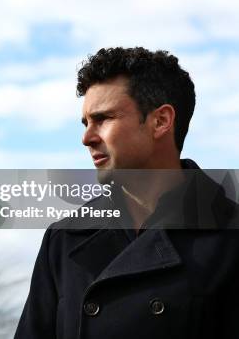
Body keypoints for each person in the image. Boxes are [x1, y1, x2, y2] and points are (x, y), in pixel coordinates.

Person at [15, 47, 239, 339]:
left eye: (103, 118)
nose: (86, 138)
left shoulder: (230, 239)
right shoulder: (64, 240)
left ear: (160, 121)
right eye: (86, 123)